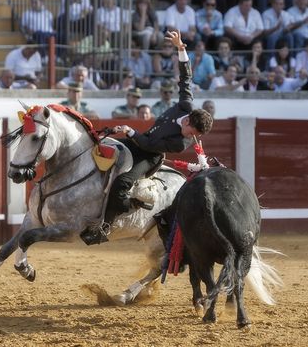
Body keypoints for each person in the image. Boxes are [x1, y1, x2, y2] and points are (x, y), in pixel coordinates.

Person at [81, 30, 214, 245]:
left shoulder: (181, 142)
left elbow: (150, 144)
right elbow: (186, 79)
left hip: (150, 156)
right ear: (188, 120)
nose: (194, 139)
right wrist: (181, 50)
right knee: (102, 146)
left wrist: (130, 131)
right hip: (136, 142)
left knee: (123, 181)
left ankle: (105, 227)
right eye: (194, 134)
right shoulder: (185, 105)